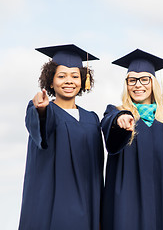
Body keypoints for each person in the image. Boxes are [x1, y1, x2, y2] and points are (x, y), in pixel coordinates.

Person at [100, 49, 163, 230]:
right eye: (132, 80)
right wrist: (120, 120)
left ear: (153, 83)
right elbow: (108, 125)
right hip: (125, 204)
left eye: (144, 79)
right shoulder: (115, 112)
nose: (137, 85)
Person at [19, 44, 104, 230]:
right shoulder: (45, 110)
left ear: (83, 81)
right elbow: (41, 127)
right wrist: (40, 110)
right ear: (50, 81)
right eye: (61, 76)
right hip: (53, 206)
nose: (69, 81)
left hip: (88, 205)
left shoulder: (92, 119)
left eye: (75, 76)